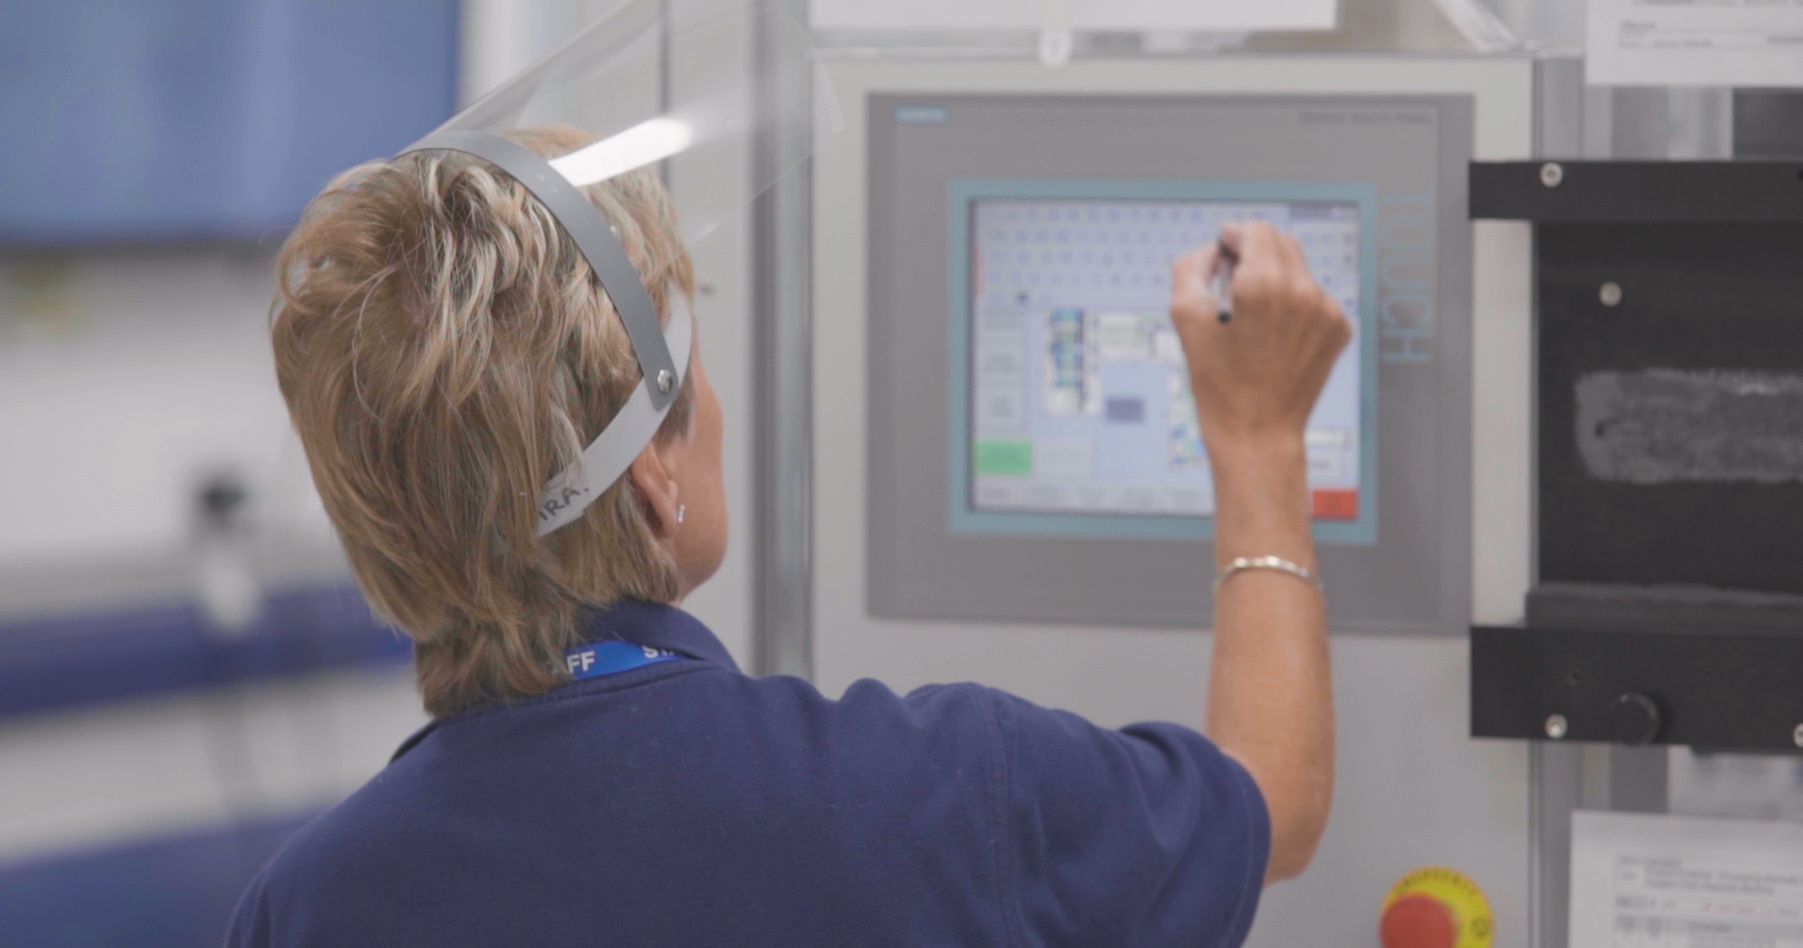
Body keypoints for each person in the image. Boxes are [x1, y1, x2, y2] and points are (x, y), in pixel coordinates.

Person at [228, 122, 1348, 947]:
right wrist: (1256, 440)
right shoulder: (938, 792)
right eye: (695, 369)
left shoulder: (310, 904)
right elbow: (1272, 802)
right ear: (654, 475)